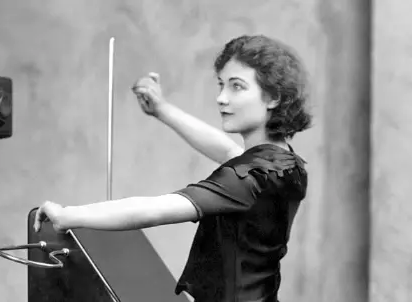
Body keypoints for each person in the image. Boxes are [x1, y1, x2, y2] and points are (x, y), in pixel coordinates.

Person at [33, 34, 312, 302]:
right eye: (221, 84)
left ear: (273, 97)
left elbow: (154, 210)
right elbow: (227, 150)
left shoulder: (249, 177)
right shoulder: (285, 165)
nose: (221, 97)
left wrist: (66, 216)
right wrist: (162, 110)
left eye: (236, 86)